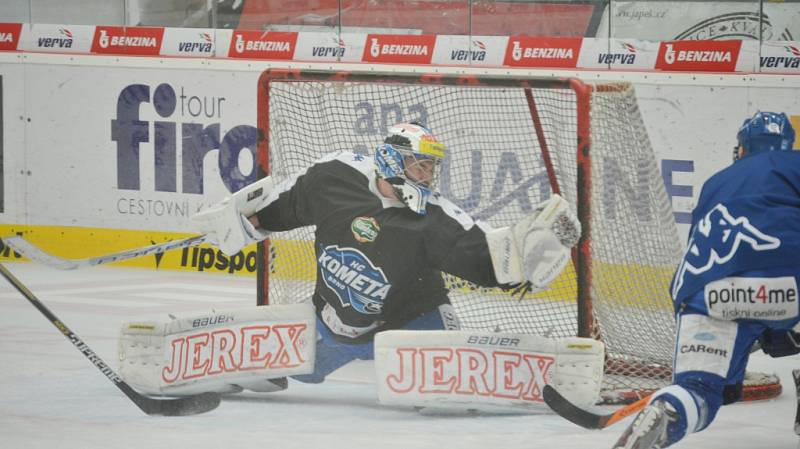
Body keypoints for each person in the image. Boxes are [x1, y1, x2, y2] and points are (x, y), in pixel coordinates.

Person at [192, 122, 581, 386]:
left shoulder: (435, 218)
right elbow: (285, 208)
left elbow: (491, 260)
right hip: (333, 324)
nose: (428, 176)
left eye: (431, 168)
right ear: (393, 160)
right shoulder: (335, 177)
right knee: (300, 375)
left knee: (443, 389)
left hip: (411, 322)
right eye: (420, 166)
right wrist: (241, 223)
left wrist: (534, 250)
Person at [613, 111, 800, 449]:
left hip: (708, 294)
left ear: (742, 149)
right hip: (787, 283)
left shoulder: (717, 182)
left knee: (699, 391)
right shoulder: (795, 164)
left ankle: (668, 409)